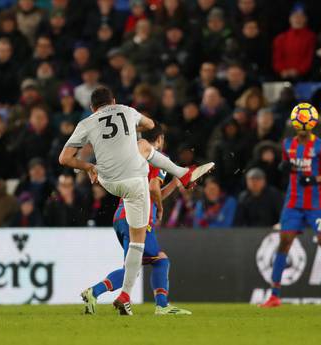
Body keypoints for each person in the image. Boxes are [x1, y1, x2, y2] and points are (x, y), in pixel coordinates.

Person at [58, 86, 214, 315]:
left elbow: (64, 158)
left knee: (136, 258)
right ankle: (128, 297)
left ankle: (183, 174)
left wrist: (89, 166)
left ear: (93, 107)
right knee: (140, 247)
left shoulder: (87, 122)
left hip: (108, 181)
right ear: (114, 100)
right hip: (133, 181)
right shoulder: (126, 111)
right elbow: (150, 125)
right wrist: (135, 126)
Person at [81, 124, 191, 316]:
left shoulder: (131, 156)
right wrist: (161, 208)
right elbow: (153, 189)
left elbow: (151, 192)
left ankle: (94, 293)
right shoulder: (159, 158)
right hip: (138, 218)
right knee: (160, 260)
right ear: (160, 139)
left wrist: (175, 182)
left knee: (132, 268)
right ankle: (162, 306)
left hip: (120, 217)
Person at [260, 104, 321, 308]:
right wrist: (284, 167)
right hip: (293, 203)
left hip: (316, 204)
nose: (302, 130)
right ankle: (274, 295)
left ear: (311, 125)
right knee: (284, 243)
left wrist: (315, 179)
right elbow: (287, 166)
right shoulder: (286, 145)